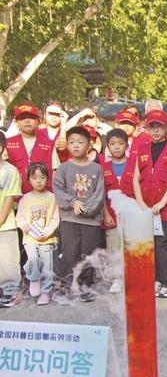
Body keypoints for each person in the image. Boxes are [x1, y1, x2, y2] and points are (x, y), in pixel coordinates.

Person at [132, 109, 167, 298]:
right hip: (145, 206)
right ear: (146, 128)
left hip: (166, 207)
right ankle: (152, 280)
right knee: (147, 245)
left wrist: (162, 202)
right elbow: (136, 178)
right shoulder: (142, 149)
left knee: (166, 245)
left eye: (159, 127)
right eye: (152, 127)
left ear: (165, 127)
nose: (155, 131)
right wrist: (140, 202)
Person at [53, 126, 106, 302]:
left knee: (88, 254)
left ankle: (85, 286)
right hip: (69, 219)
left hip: (91, 221)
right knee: (69, 253)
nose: (76, 146)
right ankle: (67, 285)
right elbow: (58, 189)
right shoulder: (63, 168)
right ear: (67, 145)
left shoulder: (96, 169)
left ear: (89, 144)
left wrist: (85, 208)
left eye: (80, 142)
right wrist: (72, 202)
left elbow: (99, 194)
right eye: (72, 142)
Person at [16, 162, 59, 306]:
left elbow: (55, 218)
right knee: (33, 259)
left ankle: (45, 292)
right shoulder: (25, 198)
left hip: (47, 238)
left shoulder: (52, 197)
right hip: (30, 237)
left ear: (48, 179)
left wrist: (47, 233)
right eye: (34, 178)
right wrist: (25, 226)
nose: (39, 180)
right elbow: (19, 217)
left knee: (47, 266)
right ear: (28, 180)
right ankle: (34, 279)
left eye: (42, 177)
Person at [5, 102, 58, 194]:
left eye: (31, 117)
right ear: (16, 123)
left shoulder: (49, 144)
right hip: (14, 197)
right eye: (22, 118)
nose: (27, 120)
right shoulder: (7, 143)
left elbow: (55, 170)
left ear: (39, 121)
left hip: (43, 197)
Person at [101, 129, 129, 293]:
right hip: (111, 214)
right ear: (107, 147)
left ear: (126, 145)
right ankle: (117, 279)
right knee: (114, 247)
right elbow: (100, 194)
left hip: (131, 215)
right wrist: (105, 214)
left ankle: (132, 277)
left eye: (120, 144)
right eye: (112, 144)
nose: (116, 147)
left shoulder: (134, 163)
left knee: (132, 247)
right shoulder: (102, 167)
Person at [0, 132, 22, 308]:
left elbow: (9, 198)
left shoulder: (10, 171)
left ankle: (10, 293)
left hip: (5, 225)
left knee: (8, 262)